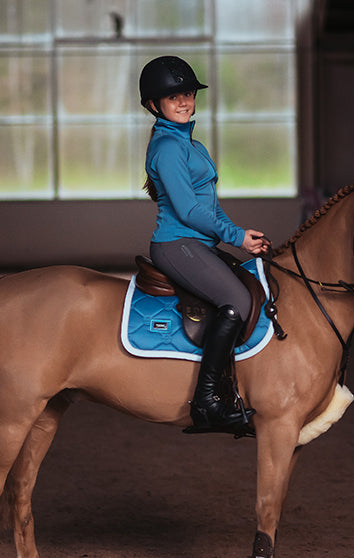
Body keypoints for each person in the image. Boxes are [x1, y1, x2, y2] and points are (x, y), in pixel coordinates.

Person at [139, 55, 270, 435]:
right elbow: (188, 209)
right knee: (238, 300)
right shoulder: (167, 147)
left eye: (189, 94)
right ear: (154, 105)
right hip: (176, 244)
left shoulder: (192, 146)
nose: (184, 101)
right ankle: (207, 401)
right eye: (173, 97)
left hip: (198, 244)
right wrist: (235, 236)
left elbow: (210, 207)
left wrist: (237, 236)